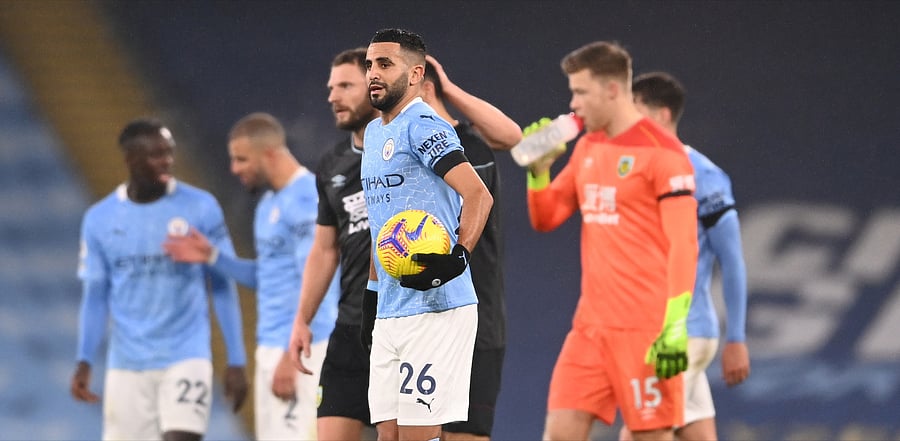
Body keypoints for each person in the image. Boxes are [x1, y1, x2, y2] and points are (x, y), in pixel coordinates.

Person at [524, 41, 699, 441]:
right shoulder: (588, 145)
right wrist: (539, 172)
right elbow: (547, 218)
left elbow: (684, 246)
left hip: (647, 331)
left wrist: (674, 326)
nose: (573, 103)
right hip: (589, 329)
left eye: (581, 92)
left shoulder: (664, 154)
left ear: (613, 90)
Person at [163, 112, 340, 440]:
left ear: (270, 154)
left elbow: (321, 282)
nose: (235, 169)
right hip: (274, 348)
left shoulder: (307, 199)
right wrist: (213, 257)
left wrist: (294, 355)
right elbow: (269, 276)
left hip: (303, 350)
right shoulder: (268, 205)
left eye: (241, 159)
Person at [71, 118, 248, 441]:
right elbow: (96, 296)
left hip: (186, 355)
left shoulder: (200, 207)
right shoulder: (100, 219)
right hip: (127, 364)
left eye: (169, 152)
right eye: (156, 155)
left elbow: (222, 284)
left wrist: (236, 359)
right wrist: (84, 359)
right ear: (130, 159)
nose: (166, 161)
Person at [362, 28, 493, 441]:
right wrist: (371, 300)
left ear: (416, 73)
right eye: (369, 65)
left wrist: (457, 260)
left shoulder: (423, 124)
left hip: (437, 307)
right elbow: (381, 226)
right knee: (388, 437)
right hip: (390, 308)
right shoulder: (372, 133)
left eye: (385, 64)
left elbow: (478, 195)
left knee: (419, 436)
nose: (373, 74)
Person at [621, 71, 750, 441]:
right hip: (653, 331)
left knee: (641, 431)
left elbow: (733, 261)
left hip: (683, 335)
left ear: (660, 115)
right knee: (693, 431)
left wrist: (737, 337)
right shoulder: (629, 171)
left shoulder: (704, 176)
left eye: (634, 110)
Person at [420, 55, 521, 441]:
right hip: (423, 317)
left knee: (467, 435)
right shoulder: (401, 150)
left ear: (425, 87)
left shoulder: (472, 145)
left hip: (479, 317)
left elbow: (512, 136)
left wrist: (447, 86)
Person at [287, 47, 379, 441]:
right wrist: (301, 319)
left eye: (345, 86)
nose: (332, 96)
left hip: (399, 327)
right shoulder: (331, 165)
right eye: (330, 87)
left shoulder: (411, 150)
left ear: (376, 87)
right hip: (349, 328)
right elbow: (325, 249)